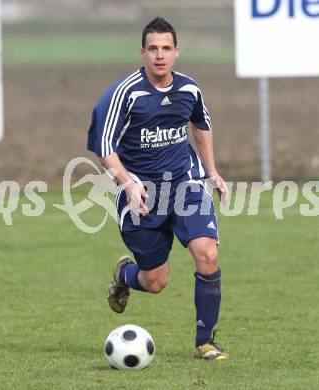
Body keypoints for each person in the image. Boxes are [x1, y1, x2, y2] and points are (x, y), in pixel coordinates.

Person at [87, 17, 229, 361]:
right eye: (153, 49)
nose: (160, 55)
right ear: (143, 52)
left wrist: (211, 171)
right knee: (155, 281)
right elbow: (104, 147)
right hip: (142, 196)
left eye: (166, 48)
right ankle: (124, 273)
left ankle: (205, 342)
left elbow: (201, 123)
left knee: (207, 253)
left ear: (177, 52)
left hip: (186, 184)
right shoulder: (123, 94)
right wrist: (128, 183)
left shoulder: (189, 89)